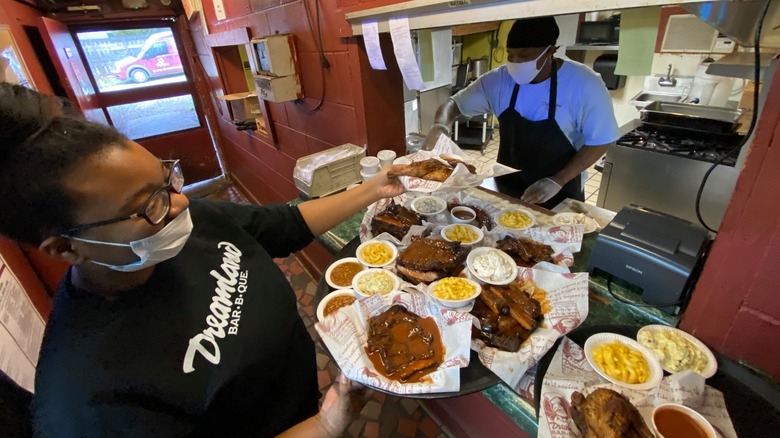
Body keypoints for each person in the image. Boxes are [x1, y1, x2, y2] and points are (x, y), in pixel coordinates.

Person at [0, 82, 406, 437]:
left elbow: (285, 224)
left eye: (167, 180)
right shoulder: (93, 401)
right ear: (66, 248)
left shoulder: (190, 220)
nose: (180, 204)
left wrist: (373, 189)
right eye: (149, 205)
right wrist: (325, 427)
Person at [424, 16, 620, 209]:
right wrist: (440, 125)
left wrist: (558, 180)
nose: (516, 62)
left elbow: (601, 140)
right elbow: (453, 104)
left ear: (550, 51)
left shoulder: (584, 84)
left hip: (560, 194)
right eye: (511, 55)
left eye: (524, 56)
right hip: (506, 190)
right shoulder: (498, 80)